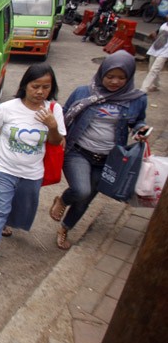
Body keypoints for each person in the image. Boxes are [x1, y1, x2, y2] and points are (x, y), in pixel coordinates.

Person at [0, 63, 65, 267]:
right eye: (35, 86)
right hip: (3, 167)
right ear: (25, 85)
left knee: (23, 206)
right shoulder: (9, 108)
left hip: (32, 172)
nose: (40, 92)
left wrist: (52, 126)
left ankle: (7, 225)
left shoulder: (54, 111)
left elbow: (56, 141)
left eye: (45, 87)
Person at [49, 51, 151, 250]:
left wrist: (141, 130)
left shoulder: (136, 99)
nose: (115, 82)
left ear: (129, 77)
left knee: (86, 199)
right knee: (81, 189)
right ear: (101, 73)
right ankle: (63, 199)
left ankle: (65, 228)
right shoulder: (83, 92)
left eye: (122, 78)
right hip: (78, 151)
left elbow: (139, 121)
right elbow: (63, 113)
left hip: (109, 158)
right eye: (110, 76)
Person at [140, 15, 168, 93]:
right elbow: (157, 34)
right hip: (156, 47)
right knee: (151, 67)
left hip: (165, 52)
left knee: (154, 70)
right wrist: (153, 35)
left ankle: (143, 89)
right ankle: (156, 85)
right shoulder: (164, 25)